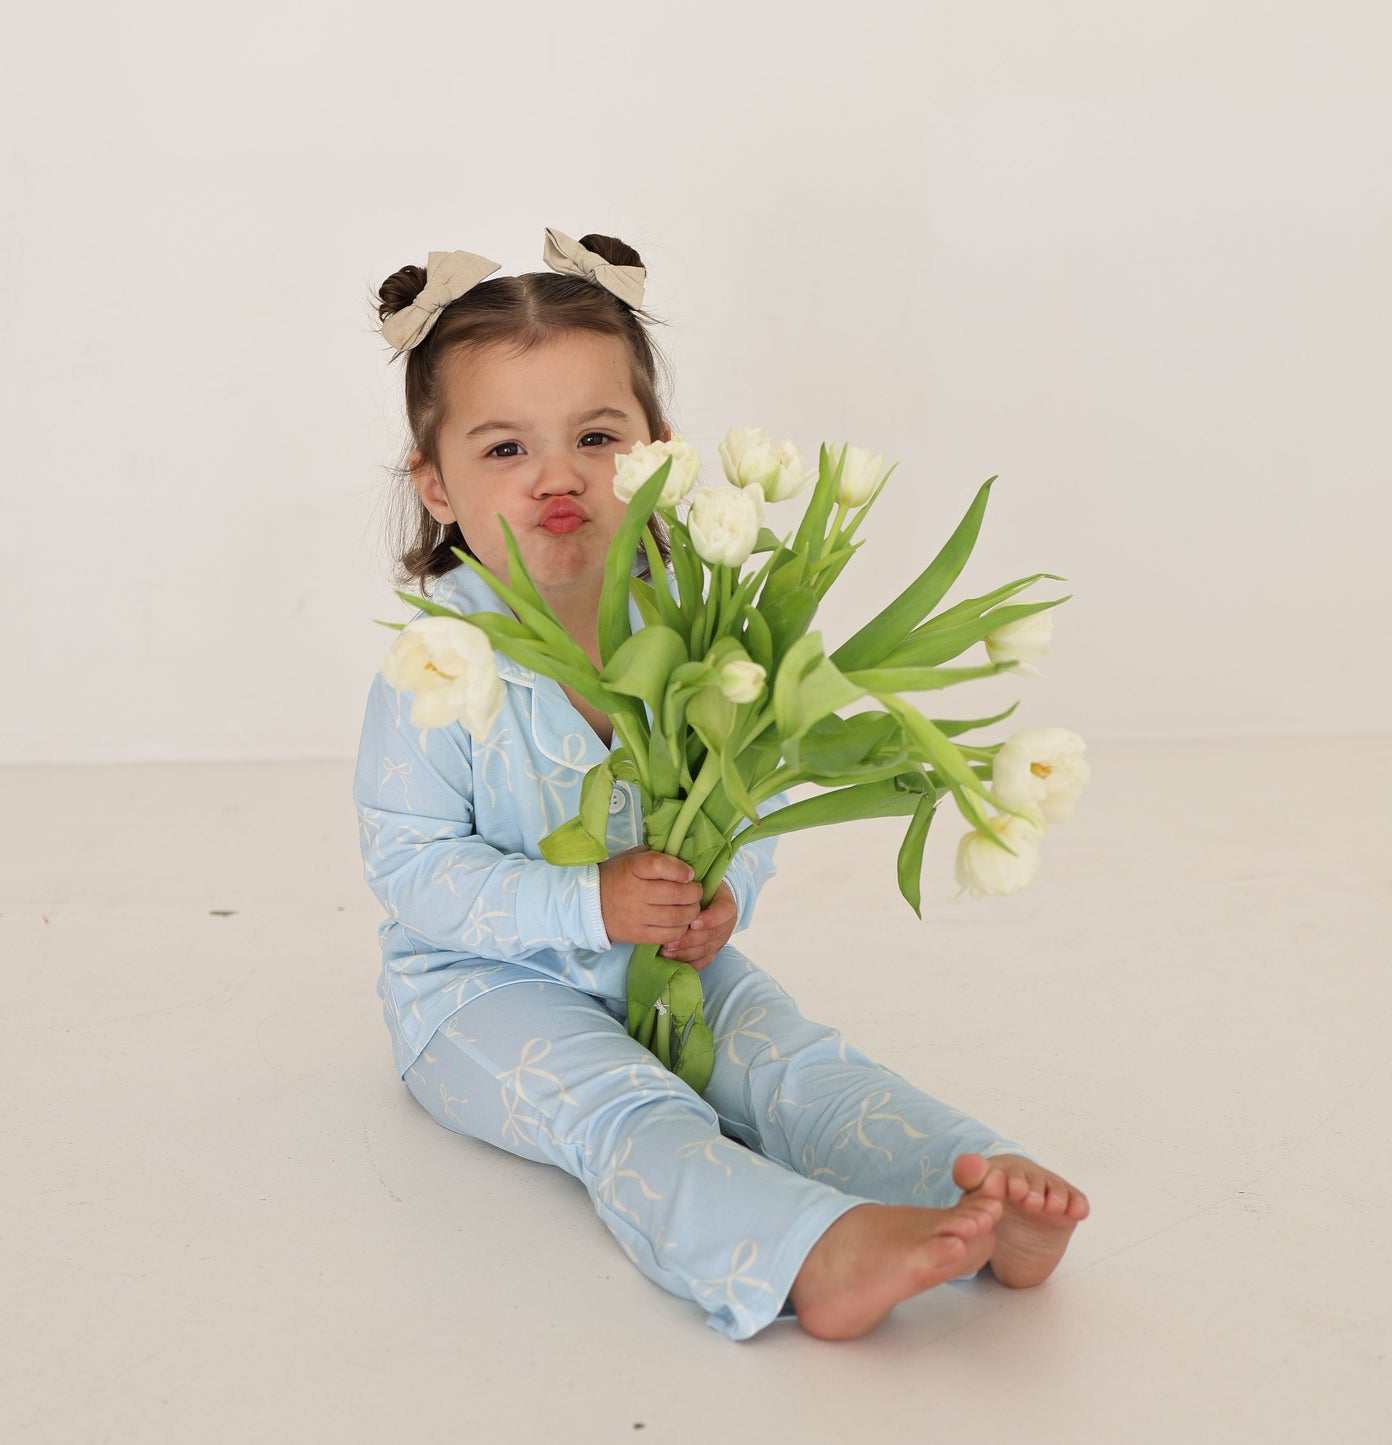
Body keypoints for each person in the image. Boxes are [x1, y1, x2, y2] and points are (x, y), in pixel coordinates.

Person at [353, 229, 1090, 1342]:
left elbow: (736, 792)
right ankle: (802, 1253)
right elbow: (411, 867)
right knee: (628, 1106)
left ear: (658, 453)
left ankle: (968, 1183)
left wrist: (720, 890)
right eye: (505, 447)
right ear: (437, 485)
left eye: (596, 436)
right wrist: (584, 905)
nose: (558, 474)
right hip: (478, 993)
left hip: (661, 959)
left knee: (786, 1056)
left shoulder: (692, 629)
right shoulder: (436, 662)